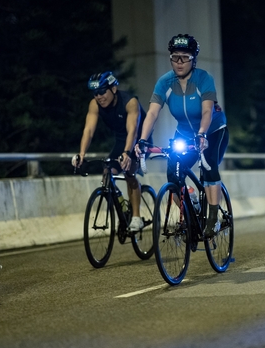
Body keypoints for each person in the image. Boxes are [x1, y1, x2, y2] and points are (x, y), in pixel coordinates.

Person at [135, 33, 229, 238]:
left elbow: (207, 111)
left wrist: (202, 134)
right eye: (175, 57)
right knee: (173, 174)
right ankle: (190, 208)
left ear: (193, 59)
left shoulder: (204, 79)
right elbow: (152, 113)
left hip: (213, 130)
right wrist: (142, 140)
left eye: (184, 57)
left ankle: (213, 218)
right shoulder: (165, 82)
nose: (179, 62)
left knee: (209, 164)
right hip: (185, 133)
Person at [72, 72, 148, 231]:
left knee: (129, 172)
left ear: (113, 89)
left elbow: (133, 131)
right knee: (107, 172)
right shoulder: (94, 104)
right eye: (95, 93)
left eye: (101, 92)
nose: (98, 97)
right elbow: (89, 130)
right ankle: (122, 209)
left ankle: (136, 217)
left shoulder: (130, 102)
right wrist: (81, 154)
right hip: (121, 140)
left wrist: (127, 153)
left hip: (139, 139)